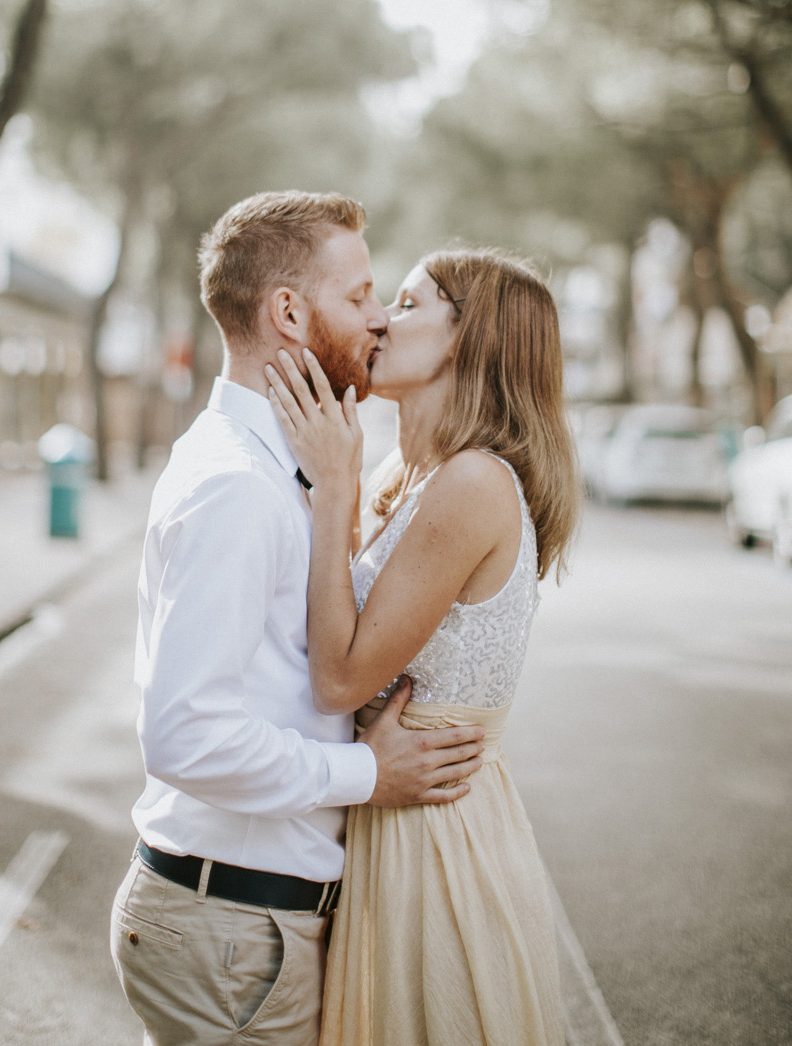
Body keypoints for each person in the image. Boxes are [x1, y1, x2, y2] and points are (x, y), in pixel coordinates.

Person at [110, 192, 487, 1046]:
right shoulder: (238, 488)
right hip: (233, 930)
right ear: (288, 311)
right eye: (357, 296)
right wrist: (365, 775)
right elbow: (184, 736)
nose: (378, 320)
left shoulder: (284, 471)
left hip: (244, 924)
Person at [266, 247, 582, 1046]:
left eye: (405, 304)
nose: (377, 320)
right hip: (387, 812)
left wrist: (331, 486)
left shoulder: (474, 483)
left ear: (466, 340)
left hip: (434, 834)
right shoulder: (401, 475)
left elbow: (338, 678)